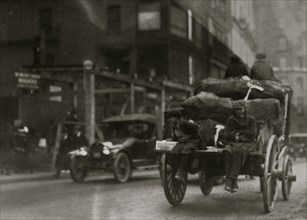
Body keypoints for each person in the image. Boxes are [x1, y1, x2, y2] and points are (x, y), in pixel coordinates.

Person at [224, 101, 257, 193]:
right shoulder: (231, 120)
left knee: (238, 151)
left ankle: (231, 180)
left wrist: (240, 135)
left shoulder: (251, 120)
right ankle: (232, 182)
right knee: (227, 151)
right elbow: (227, 134)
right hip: (233, 142)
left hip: (248, 143)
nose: (238, 112)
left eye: (240, 109)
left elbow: (252, 134)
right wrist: (235, 136)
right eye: (236, 110)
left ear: (244, 109)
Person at [171, 116, 199, 180]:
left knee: (186, 151)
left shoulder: (184, 123)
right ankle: (178, 168)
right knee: (174, 151)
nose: (171, 120)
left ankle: (182, 170)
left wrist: (192, 135)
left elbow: (196, 127)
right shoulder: (174, 126)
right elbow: (176, 136)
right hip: (182, 142)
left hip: (192, 141)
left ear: (176, 118)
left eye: (172, 118)